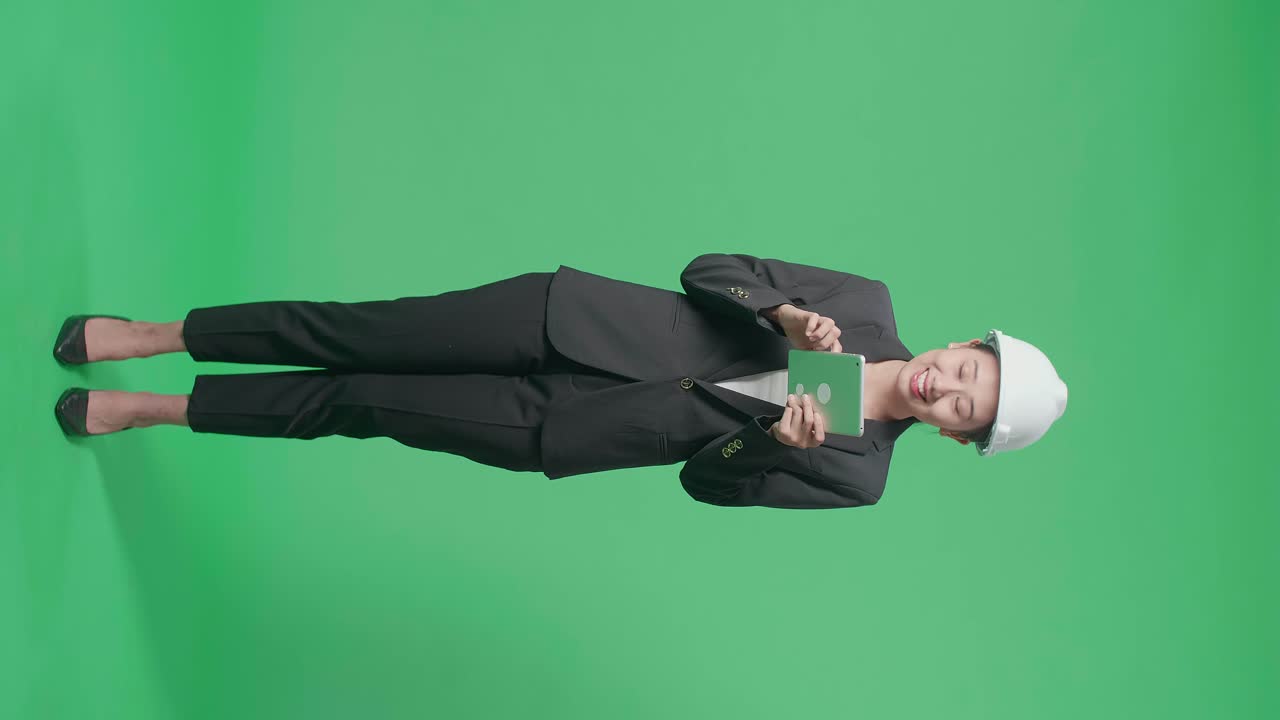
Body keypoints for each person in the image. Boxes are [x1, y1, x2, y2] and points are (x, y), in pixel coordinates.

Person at [52, 253, 1068, 509]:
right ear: (960, 343)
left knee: (356, 403)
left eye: (966, 408)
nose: (946, 386)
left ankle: (160, 409)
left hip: (572, 425)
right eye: (966, 368)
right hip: (566, 316)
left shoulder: (854, 473)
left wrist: (771, 439)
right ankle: (158, 335)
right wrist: (782, 315)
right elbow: (707, 271)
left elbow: (705, 481)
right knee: (358, 331)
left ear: (955, 436)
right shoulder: (863, 302)